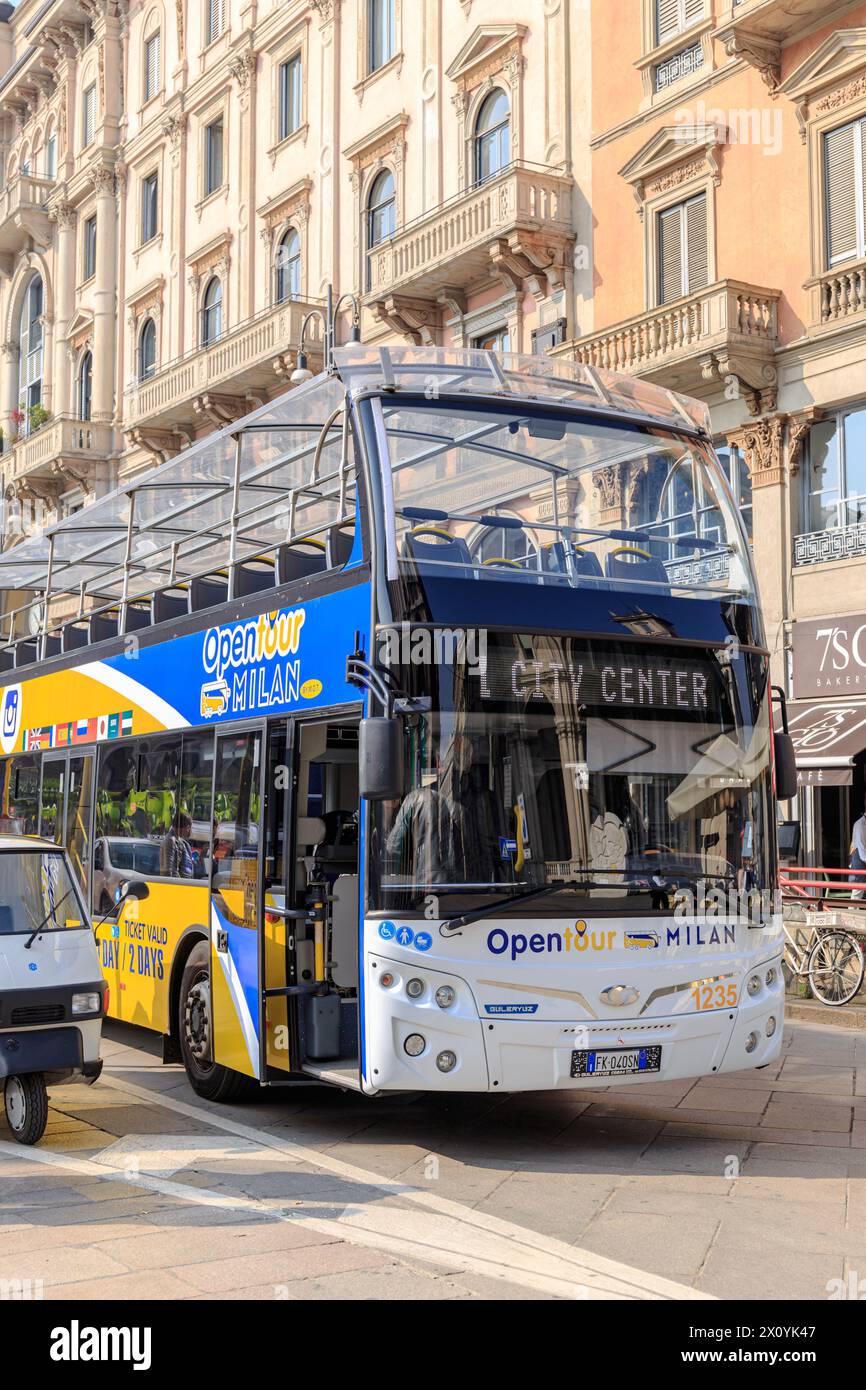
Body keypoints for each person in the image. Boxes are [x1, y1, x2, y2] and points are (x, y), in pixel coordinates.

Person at [161, 812, 195, 879]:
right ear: (188, 827)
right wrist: (181, 886)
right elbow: (168, 872)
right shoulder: (170, 840)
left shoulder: (181, 842)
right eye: (191, 828)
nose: (191, 831)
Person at [850, 801, 866, 901]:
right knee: (857, 893)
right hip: (860, 863)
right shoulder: (860, 825)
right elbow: (862, 852)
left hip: (862, 861)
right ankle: (850, 916)